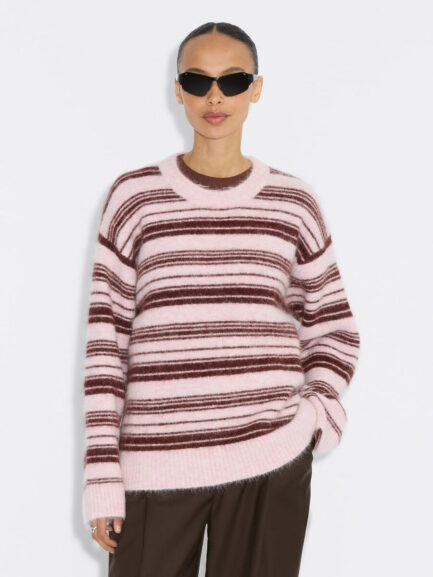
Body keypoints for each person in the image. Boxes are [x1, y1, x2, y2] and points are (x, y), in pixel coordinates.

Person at [81, 21, 360, 577]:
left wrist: (316, 416)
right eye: (198, 80)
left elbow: (333, 326)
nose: (215, 97)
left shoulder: (292, 202)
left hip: (270, 457)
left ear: (256, 89)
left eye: (232, 81)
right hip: (155, 468)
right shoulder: (135, 198)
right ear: (177, 89)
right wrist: (103, 477)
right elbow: (106, 344)